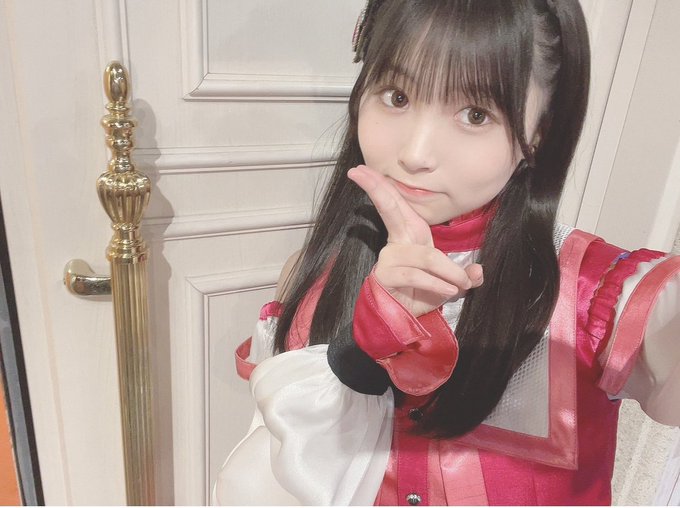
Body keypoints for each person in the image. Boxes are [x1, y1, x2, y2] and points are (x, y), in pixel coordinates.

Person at [213, 0, 680, 505]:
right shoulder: (310, 278)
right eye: (397, 96)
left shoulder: (598, 298)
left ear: (539, 132)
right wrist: (357, 353)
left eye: (475, 114)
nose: (415, 153)